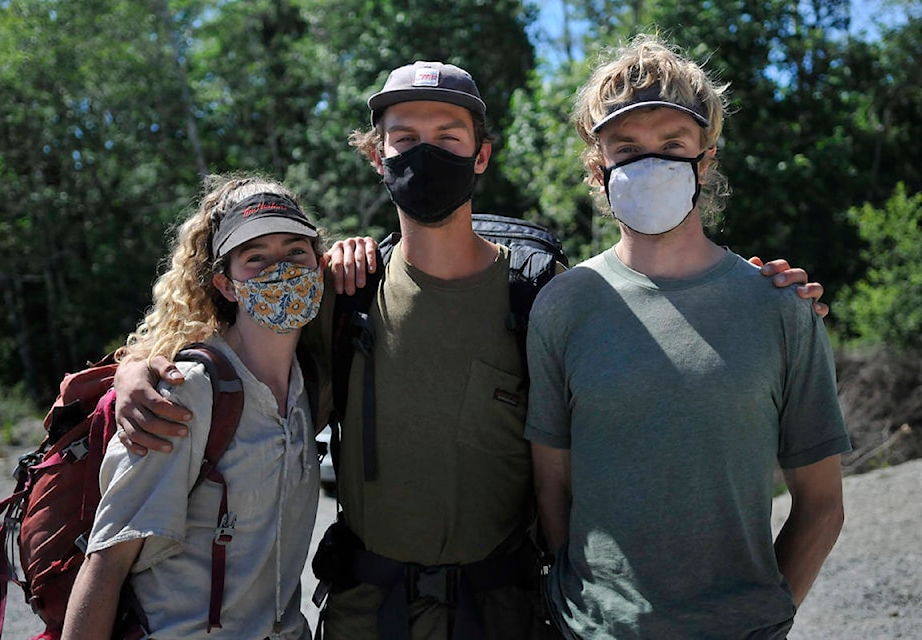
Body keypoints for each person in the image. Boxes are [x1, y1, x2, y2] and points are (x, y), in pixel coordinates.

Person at [112, 61, 830, 640]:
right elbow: (230, 343)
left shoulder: (543, 293)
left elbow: (662, 312)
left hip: (506, 609)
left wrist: (767, 295)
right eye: (404, 137)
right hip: (370, 611)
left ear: (482, 154)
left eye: (449, 136)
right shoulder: (340, 290)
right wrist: (136, 370)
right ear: (377, 156)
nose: (425, 154)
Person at [524, 35, 850, 640]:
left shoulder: (780, 307)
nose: (651, 163)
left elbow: (822, 504)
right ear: (598, 168)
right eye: (627, 148)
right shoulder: (564, 305)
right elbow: (554, 486)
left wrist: (764, 617)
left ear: (705, 160)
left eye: (672, 145)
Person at [63, 175, 328, 639]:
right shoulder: (189, 392)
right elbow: (107, 560)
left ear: (319, 264)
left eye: (295, 251)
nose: (281, 270)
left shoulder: (312, 387)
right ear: (226, 284)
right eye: (256, 258)